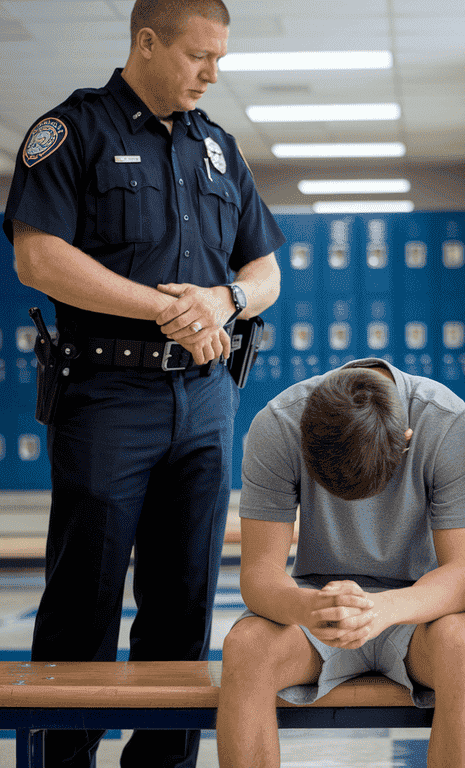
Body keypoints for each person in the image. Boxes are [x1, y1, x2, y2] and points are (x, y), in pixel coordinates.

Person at [2, 1, 284, 765]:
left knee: (183, 602)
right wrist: (168, 308)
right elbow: (39, 257)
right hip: (106, 395)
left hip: (204, 398)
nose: (212, 73)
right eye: (199, 56)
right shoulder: (73, 132)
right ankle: (62, 761)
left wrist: (225, 300)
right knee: (83, 600)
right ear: (147, 42)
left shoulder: (219, 149)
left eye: (220, 58)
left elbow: (266, 270)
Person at [216, 358, 465, 768]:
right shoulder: (278, 425)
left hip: (421, 613)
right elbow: (259, 573)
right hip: (317, 609)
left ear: (406, 439)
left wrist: (381, 610)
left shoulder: (448, 423)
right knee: (244, 647)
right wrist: (309, 608)